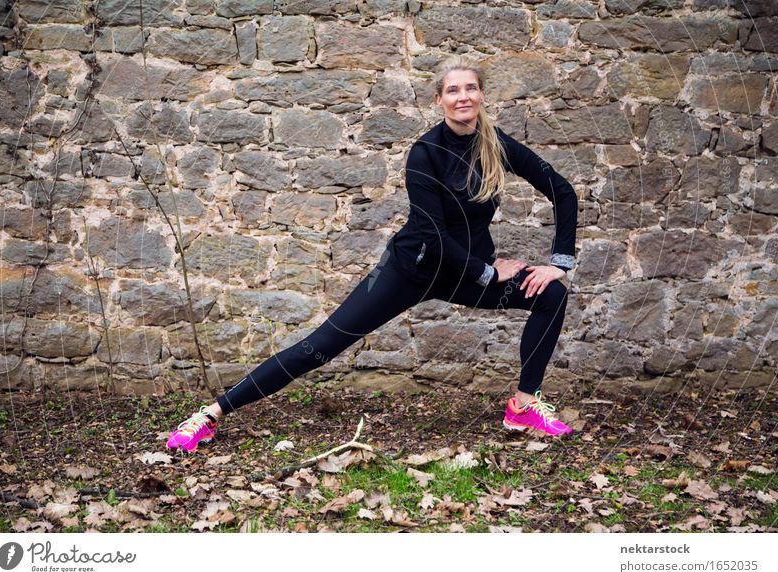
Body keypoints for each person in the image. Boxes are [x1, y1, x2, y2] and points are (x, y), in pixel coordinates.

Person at [166, 55, 578, 453]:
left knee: (551, 295)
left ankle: (523, 407)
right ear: (440, 100)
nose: (463, 96)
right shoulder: (425, 153)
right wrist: (487, 274)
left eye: (471, 88)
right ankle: (210, 414)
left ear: (483, 95)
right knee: (321, 346)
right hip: (409, 271)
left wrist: (558, 263)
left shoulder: (496, 144)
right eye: (453, 90)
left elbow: (562, 190)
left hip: (464, 274)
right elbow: (432, 234)